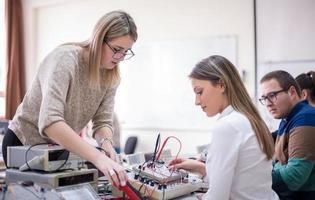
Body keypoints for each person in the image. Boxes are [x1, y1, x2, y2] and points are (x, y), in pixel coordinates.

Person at [2, 10, 137, 187]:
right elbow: (50, 122)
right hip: (23, 143)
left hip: (58, 148)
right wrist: (97, 157)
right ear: (99, 38)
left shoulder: (111, 76)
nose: (119, 58)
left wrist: (106, 144)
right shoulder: (65, 59)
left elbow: (102, 122)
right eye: (117, 50)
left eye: (126, 52)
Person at [169, 55, 278, 200]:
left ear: (221, 85)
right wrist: (201, 168)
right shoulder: (251, 119)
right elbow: (242, 179)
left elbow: (218, 197)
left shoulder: (228, 126)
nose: (196, 101)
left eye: (199, 92)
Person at [260, 70, 315, 199]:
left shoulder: (305, 117)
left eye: (272, 95)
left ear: (292, 92)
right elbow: (278, 162)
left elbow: (294, 177)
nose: (267, 103)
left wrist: (252, 178)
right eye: (264, 98)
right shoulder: (288, 118)